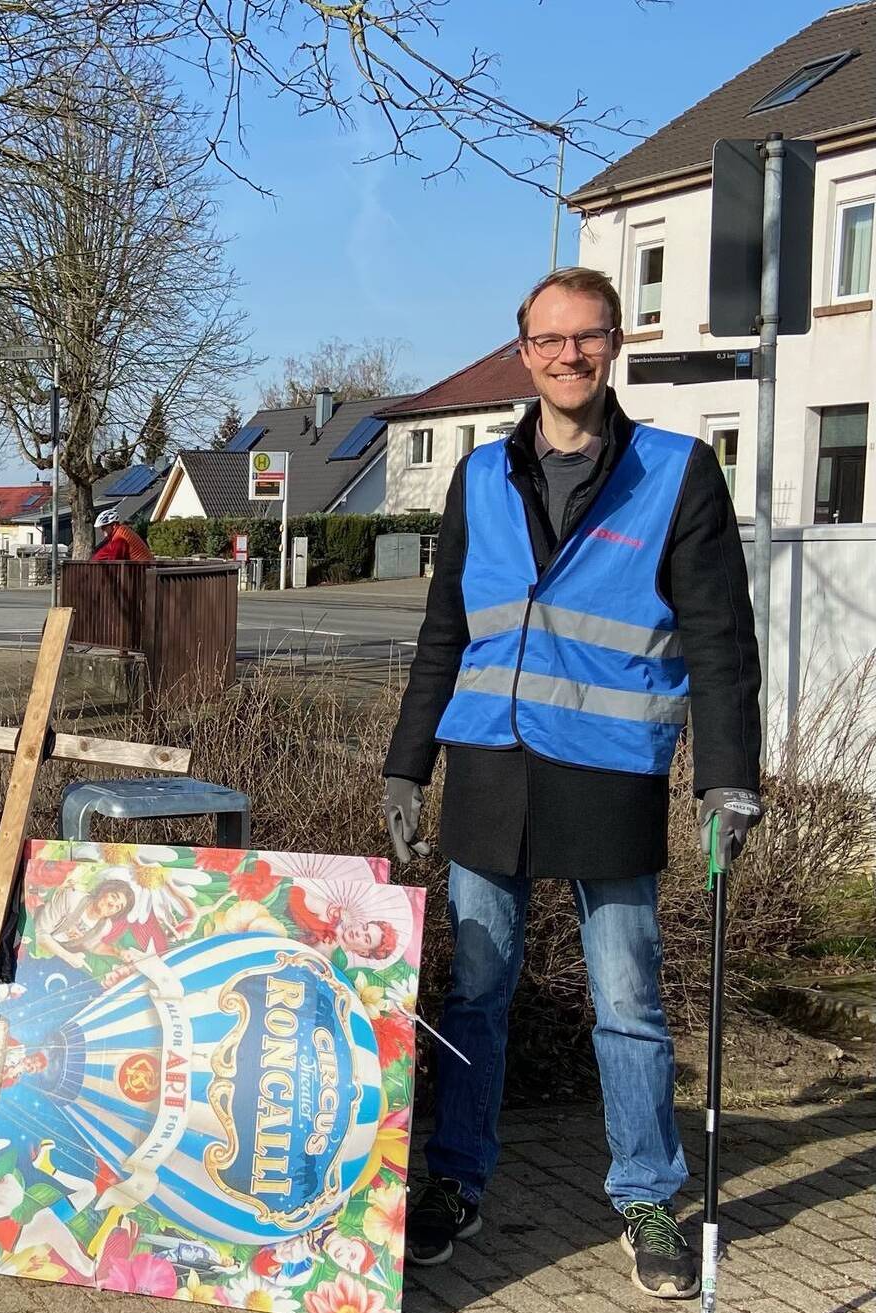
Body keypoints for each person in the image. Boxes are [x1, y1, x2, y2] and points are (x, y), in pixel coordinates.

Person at [381, 267, 763, 1300]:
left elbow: (720, 641)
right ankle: (453, 1180)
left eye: (583, 337)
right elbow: (441, 633)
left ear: (612, 345)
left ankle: (644, 1193)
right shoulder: (476, 477)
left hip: (606, 775)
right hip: (489, 769)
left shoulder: (674, 472)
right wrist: (404, 761)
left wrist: (726, 775)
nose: (565, 355)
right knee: (473, 996)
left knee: (627, 1003)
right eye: (546, 340)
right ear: (523, 350)